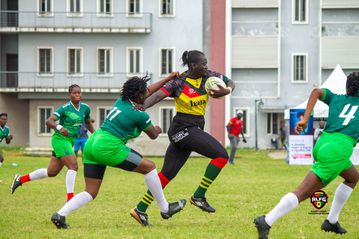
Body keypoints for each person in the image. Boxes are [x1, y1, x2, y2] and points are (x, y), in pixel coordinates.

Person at [50, 73, 186, 229]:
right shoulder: (140, 115)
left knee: (90, 191)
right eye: (144, 93)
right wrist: (157, 128)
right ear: (138, 94)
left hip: (93, 142)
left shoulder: (121, 100)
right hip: (108, 146)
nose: (147, 94)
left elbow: (148, 90)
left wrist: (169, 78)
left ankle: (60, 215)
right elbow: (154, 135)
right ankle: (165, 208)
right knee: (150, 167)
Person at [130, 50, 235, 226]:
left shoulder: (209, 76)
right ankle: (198, 196)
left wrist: (227, 90)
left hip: (193, 128)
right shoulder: (178, 82)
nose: (206, 66)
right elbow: (157, 96)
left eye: (206, 62)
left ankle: (139, 209)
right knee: (221, 156)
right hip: (183, 127)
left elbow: (230, 81)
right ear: (193, 65)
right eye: (203, 63)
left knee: (167, 174)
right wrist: (142, 106)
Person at [254, 72, 359, 239]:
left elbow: (316, 91)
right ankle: (266, 220)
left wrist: (305, 119)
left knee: (352, 177)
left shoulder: (337, 98)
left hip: (322, 143)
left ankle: (331, 221)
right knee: (302, 192)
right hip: (338, 150)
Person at [11, 84, 95, 202]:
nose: (77, 95)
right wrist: (60, 127)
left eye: (79, 93)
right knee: (73, 166)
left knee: (51, 172)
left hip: (70, 140)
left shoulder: (85, 108)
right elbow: (49, 121)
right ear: (69, 95)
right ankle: (70, 198)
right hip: (60, 139)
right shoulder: (65, 108)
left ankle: (20, 179)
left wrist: (95, 135)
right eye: (74, 93)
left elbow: (88, 122)